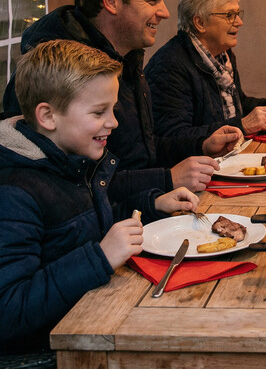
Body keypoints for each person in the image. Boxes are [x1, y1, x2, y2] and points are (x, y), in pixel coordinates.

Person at [0, 40, 198, 355]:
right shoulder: (14, 192)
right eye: (99, 112)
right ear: (48, 117)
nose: (113, 122)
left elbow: (84, 225)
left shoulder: (73, 158)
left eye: (113, 109)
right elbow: (9, 311)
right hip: (53, 354)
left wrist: (151, 204)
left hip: (97, 318)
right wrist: (100, 258)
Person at [2, 0, 241, 194]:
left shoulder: (127, 58)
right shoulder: (55, 71)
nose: (165, 12)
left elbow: (142, 151)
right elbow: (62, 188)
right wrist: (166, 178)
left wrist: (201, 144)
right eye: (152, 0)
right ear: (112, 2)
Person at [145, 0, 266, 138]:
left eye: (238, 14)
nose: (239, 22)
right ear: (200, 23)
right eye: (229, 15)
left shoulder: (223, 55)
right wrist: (242, 126)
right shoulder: (169, 64)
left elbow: (238, 104)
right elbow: (171, 137)